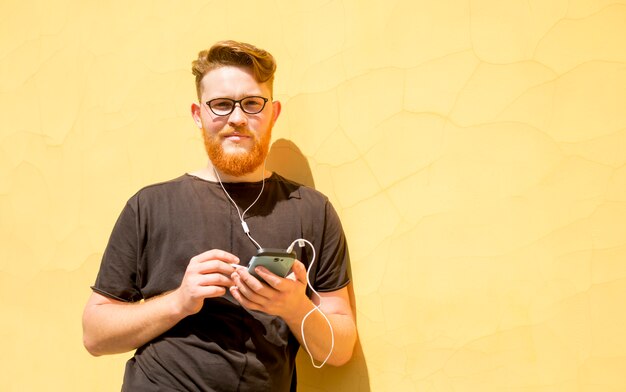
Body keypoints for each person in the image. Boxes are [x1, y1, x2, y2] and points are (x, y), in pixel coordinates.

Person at [82, 40, 357, 391]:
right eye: (221, 105)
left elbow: (340, 349)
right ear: (199, 115)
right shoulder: (148, 206)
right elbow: (94, 334)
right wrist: (180, 301)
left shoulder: (312, 210)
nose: (237, 118)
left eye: (252, 103)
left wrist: (294, 307)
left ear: (273, 113)